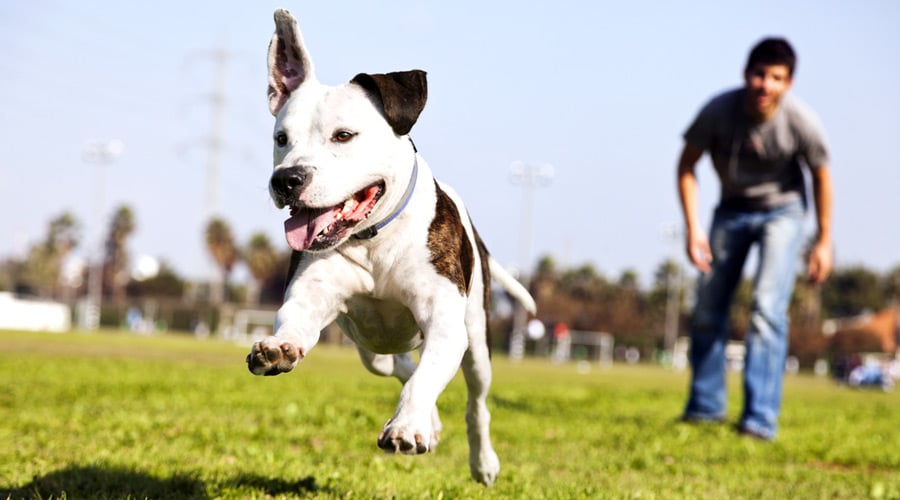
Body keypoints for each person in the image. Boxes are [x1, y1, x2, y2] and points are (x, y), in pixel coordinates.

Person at [676, 37, 833, 440]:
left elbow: (821, 176)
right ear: (747, 74)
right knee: (709, 305)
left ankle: (759, 419)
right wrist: (693, 227)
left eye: (776, 78)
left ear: (789, 83)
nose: (766, 85)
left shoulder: (801, 121)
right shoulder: (718, 111)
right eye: (760, 74)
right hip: (730, 210)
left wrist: (823, 240)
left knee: (766, 308)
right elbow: (687, 166)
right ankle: (705, 408)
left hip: (783, 212)